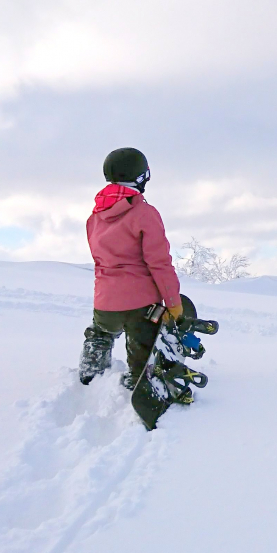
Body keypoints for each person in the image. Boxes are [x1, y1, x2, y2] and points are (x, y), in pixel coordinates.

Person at [79, 147, 184, 388]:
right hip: (141, 307)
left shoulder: (94, 218)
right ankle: (138, 381)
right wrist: (173, 303)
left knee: (100, 333)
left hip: (104, 303)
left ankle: (90, 373)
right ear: (141, 176)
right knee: (141, 352)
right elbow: (159, 264)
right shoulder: (144, 213)